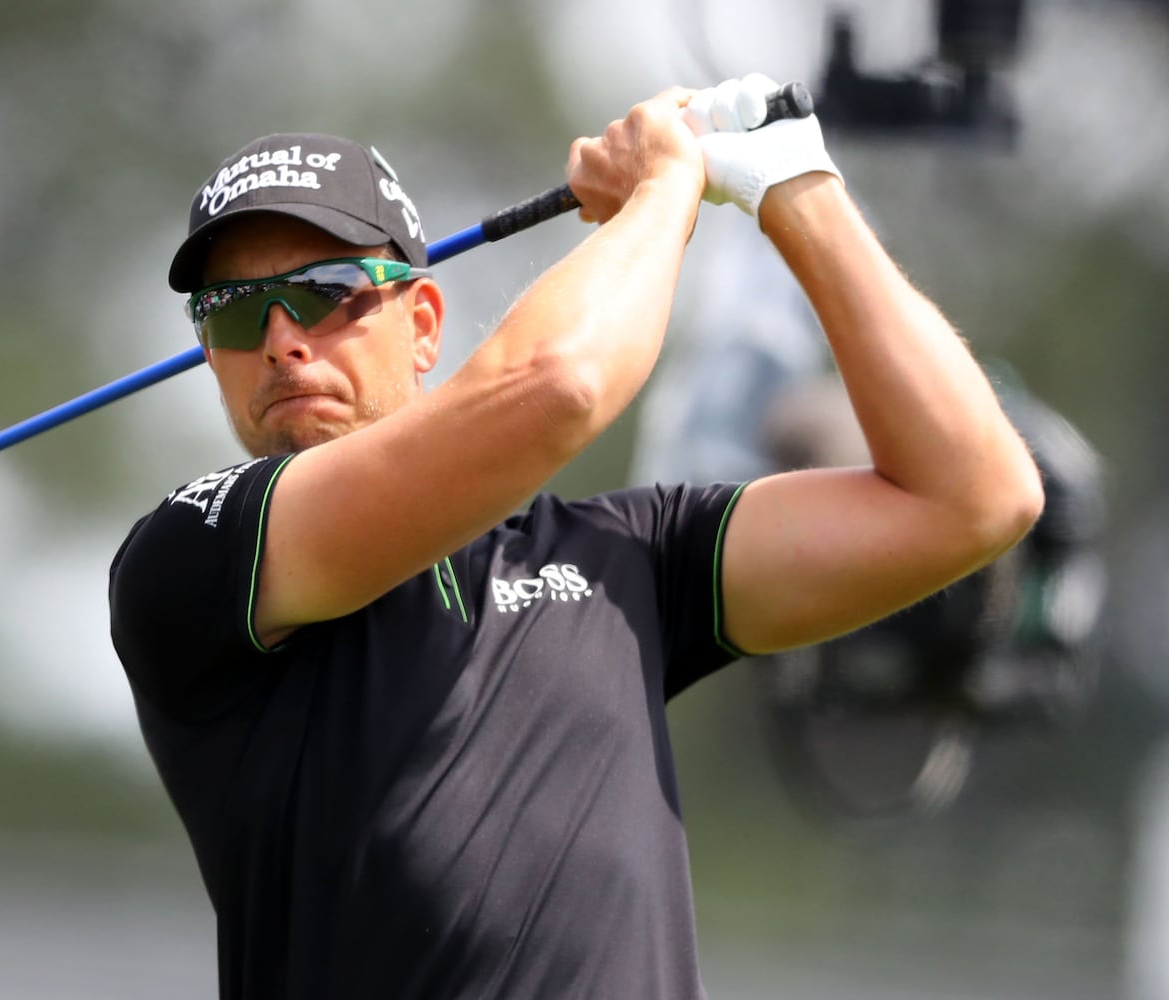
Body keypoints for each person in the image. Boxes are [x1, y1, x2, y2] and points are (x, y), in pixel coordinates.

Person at [107, 74, 1043, 999]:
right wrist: (665, 186)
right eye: (236, 311)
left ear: (422, 326)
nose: (281, 341)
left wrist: (797, 188)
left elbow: (974, 499)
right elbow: (560, 384)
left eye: (327, 291)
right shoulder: (190, 558)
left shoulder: (625, 560)